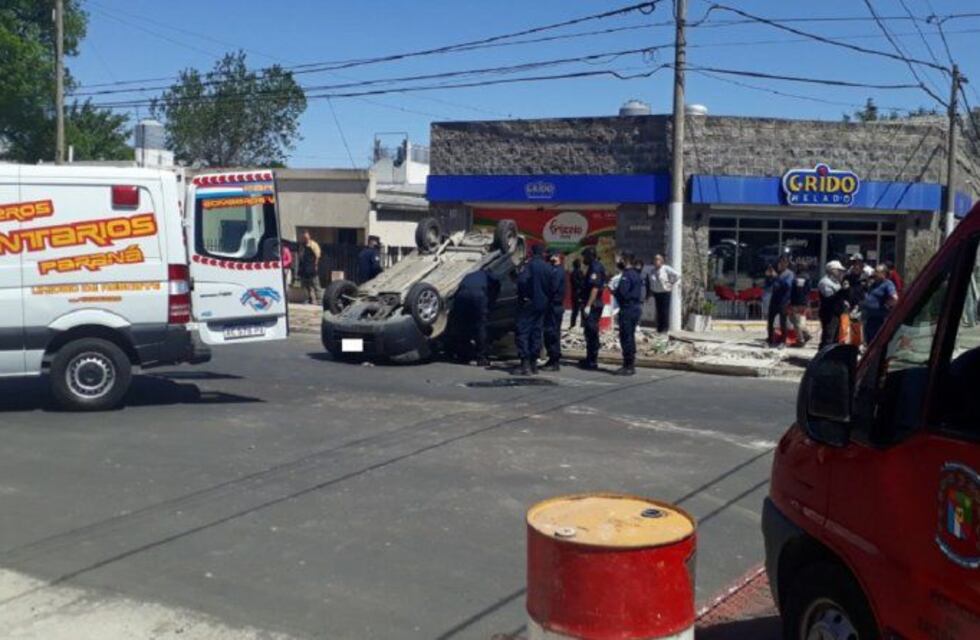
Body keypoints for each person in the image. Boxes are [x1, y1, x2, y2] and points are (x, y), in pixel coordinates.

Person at [452, 267, 500, 367]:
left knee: (463, 325)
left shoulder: (469, 275)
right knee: (480, 326)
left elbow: (458, 289)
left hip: (462, 295)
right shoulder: (488, 274)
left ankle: (463, 355)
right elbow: (496, 285)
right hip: (478, 295)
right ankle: (481, 358)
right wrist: (490, 306)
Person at [515, 244, 550, 375]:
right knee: (537, 331)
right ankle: (534, 364)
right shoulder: (547, 268)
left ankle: (525, 364)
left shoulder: (529, 266)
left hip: (528, 304)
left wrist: (524, 296)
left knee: (523, 331)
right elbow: (551, 287)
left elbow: (522, 281)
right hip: (542, 304)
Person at [613, 252, 644, 375]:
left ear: (625, 260)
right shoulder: (636, 274)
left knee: (626, 337)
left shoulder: (626, 275)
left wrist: (614, 292)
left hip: (628, 308)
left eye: (620, 259)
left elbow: (623, 293)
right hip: (635, 307)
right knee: (630, 336)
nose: (618, 261)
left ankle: (628, 365)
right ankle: (630, 363)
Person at [578, 247, 607, 370]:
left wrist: (588, 305)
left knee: (592, 332)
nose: (584, 259)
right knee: (588, 333)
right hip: (591, 303)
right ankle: (589, 358)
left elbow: (595, 288)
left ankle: (592, 361)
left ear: (590, 256)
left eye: (585, 256)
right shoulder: (593, 267)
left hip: (593, 305)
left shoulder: (595, 267)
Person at [540, 248, 566, 372]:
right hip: (553, 306)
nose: (548, 259)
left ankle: (554, 361)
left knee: (552, 333)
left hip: (554, 306)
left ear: (556, 257)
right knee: (551, 333)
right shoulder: (555, 270)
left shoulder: (557, 271)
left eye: (550, 257)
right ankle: (553, 359)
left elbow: (553, 287)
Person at [862, 264, 899, 343]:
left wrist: (886, 305)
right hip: (869, 319)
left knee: (877, 343)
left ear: (884, 274)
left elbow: (895, 298)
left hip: (879, 320)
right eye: (875, 271)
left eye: (877, 272)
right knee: (869, 342)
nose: (874, 273)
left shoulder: (888, 284)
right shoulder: (874, 284)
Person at [818, 260, 848, 348]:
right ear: (832, 270)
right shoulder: (825, 282)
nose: (841, 272)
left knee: (835, 337)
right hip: (829, 313)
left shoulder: (836, 282)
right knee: (828, 337)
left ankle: (831, 358)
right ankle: (823, 358)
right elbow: (829, 298)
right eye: (839, 270)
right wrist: (842, 291)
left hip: (837, 313)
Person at [647, 254, 679, 334]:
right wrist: (651, 291)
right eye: (655, 259)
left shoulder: (666, 268)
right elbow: (651, 281)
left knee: (664, 311)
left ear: (661, 261)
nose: (655, 261)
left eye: (657, 259)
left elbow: (677, 275)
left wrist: (670, 283)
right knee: (659, 310)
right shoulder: (652, 271)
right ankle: (659, 328)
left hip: (665, 292)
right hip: (657, 292)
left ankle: (665, 328)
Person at [767, 255, 794, 347]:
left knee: (783, 322)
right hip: (774, 300)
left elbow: (787, 285)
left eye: (783, 262)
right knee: (770, 321)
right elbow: (769, 285)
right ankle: (770, 340)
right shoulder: (777, 273)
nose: (781, 264)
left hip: (784, 301)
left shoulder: (789, 274)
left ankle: (783, 341)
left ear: (786, 264)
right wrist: (769, 277)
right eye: (780, 262)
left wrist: (776, 277)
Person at [788, 268, 813, 346]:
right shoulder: (808, 278)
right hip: (804, 302)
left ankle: (800, 340)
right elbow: (809, 290)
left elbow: (792, 290)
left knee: (795, 320)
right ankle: (806, 334)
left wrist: (789, 301)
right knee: (793, 319)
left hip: (796, 302)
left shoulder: (795, 278)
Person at [298, 231, 322, 304]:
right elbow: (300, 256)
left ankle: (319, 300)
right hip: (303, 269)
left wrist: (315, 266)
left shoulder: (313, 245)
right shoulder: (301, 246)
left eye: (306, 238)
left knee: (316, 285)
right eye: (303, 238)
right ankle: (308, 300)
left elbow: (317, 256)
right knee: (305, 286)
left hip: (311, 268)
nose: (305, 239)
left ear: (309, 237)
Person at [569, 259, 587, 329]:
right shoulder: (579, 273)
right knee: (582, 309)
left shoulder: (572, 273)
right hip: (580, 293)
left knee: (575, 310)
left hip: (575, 293)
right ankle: (582, 324)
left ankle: (572, 324)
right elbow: (581, 283)